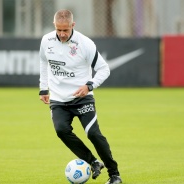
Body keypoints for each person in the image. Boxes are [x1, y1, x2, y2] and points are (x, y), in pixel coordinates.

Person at [39, 9, 122, 184]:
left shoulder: (85, 44)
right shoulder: (46, 40)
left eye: (65, 30)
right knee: (61, 130)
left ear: (73, 25)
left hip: (82, 98)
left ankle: (114, 175)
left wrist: (89, 85)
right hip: (58, 100)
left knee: (93, 134)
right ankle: (93, 162)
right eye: (59, 30)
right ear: (54, 25)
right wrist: (43, 88)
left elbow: (104, 69)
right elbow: (44, 62)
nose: (62, 34)